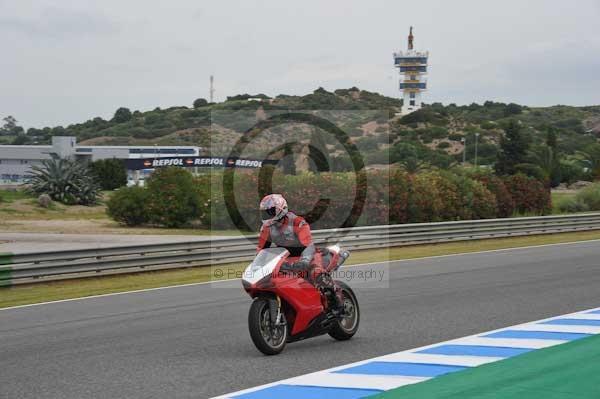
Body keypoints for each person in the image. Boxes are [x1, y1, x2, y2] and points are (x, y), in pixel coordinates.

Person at [257, 194, 343, 314]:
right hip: (286, 259)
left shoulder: (297, 222)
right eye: (265, 212)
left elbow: (307, 245)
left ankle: (337, 300)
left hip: (308, 255)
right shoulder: (266, 228)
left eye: (271, 211)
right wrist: (259, 264)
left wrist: (305, 261)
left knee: (316, 273)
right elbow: (261, 250)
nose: (267, 215)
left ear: (281, 209)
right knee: (273, 279)